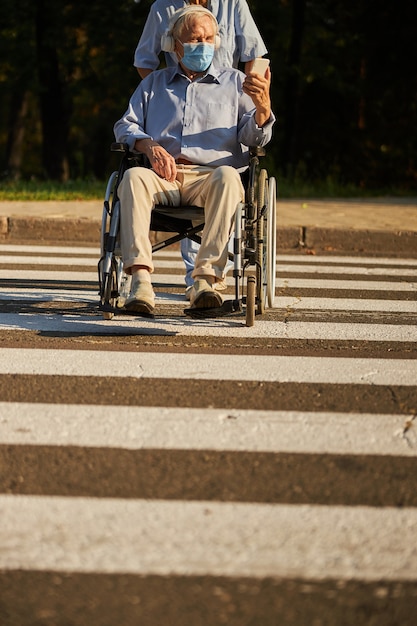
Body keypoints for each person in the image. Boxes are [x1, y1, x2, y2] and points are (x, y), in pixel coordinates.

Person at [114, 5, 274, 316]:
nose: (203, 46)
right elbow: (124, 124)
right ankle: (141, 281)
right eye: (194, 40)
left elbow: (256, 139)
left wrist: (263, 109)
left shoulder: (235, 83)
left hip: (211, 177)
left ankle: (205, 281)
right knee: (132, 178)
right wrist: (148, 146)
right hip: (164, 175)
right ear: (174, 45)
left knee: (230, 178)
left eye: (209, 39)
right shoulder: (153, 85)